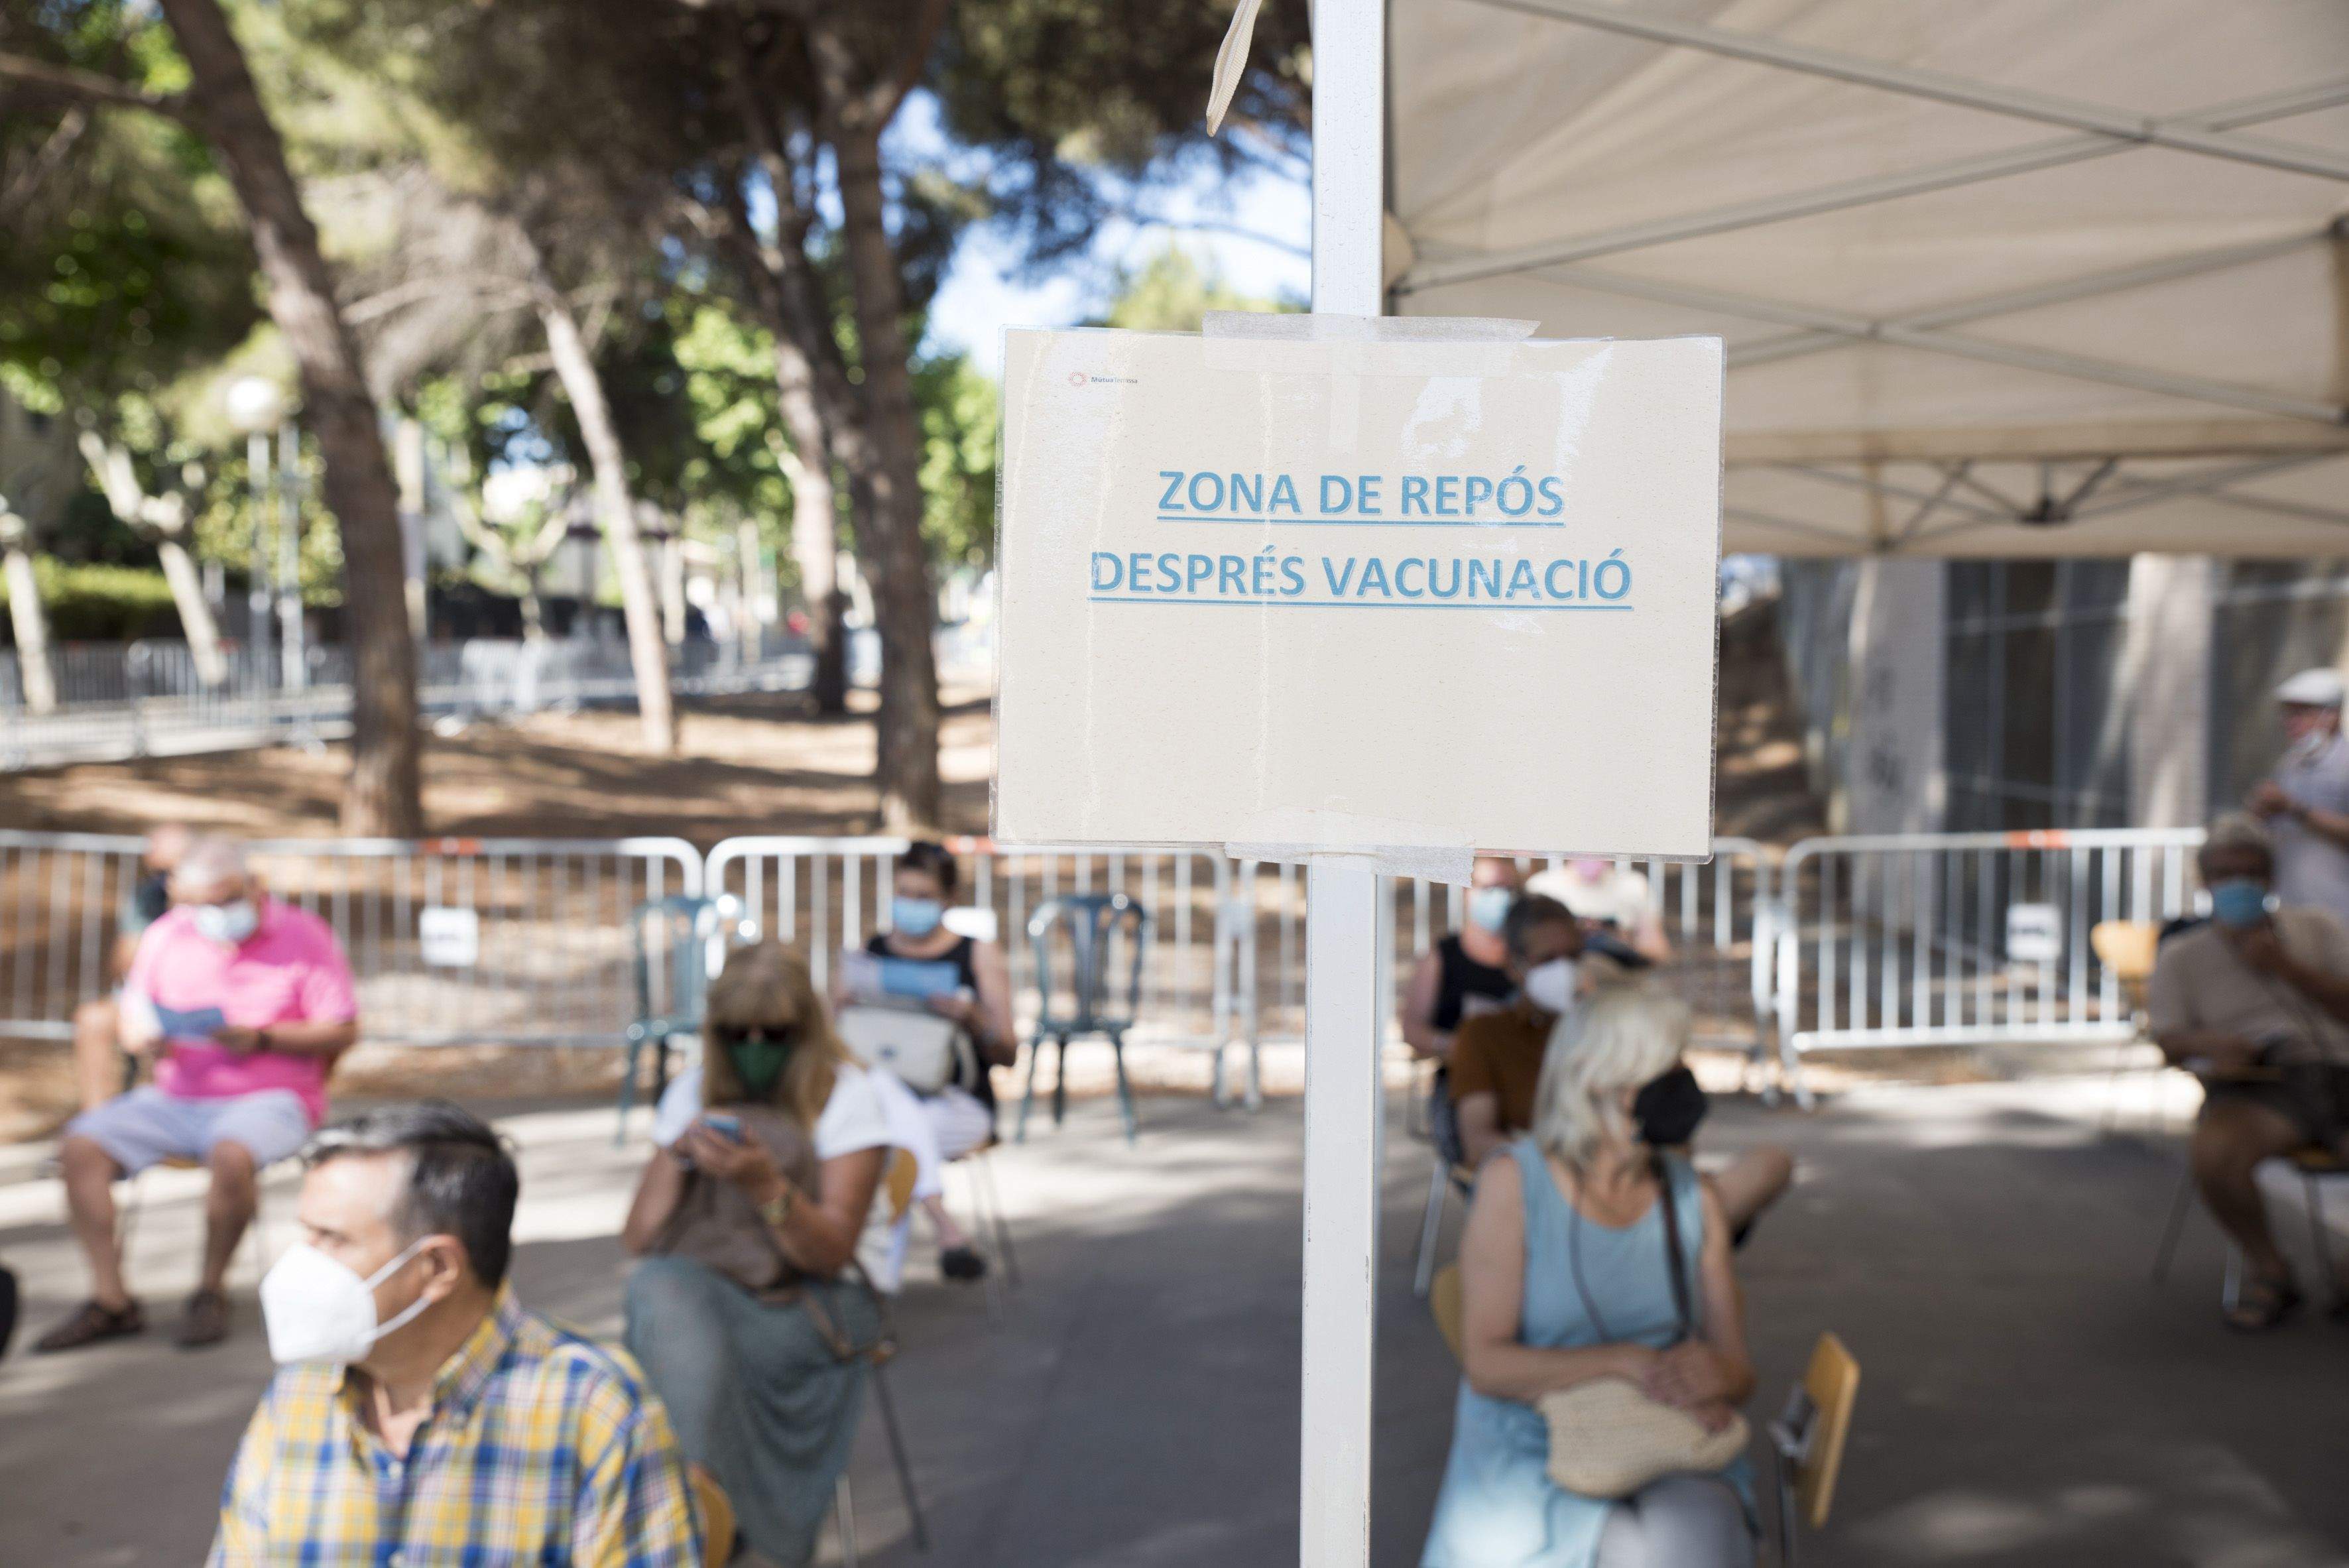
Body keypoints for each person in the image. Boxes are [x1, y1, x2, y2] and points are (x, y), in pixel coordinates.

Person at [209, 1102, 702, 1564]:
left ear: (438, 1268)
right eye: (307, 1233)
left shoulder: (594, 1409)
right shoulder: (298, 1394)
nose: (302, 1263)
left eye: (333, 1239)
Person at [1421, 980, 1758, 1568]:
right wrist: (1621, 1360)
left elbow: (1738, 1370)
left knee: (1697, 1533)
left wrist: (1716, 1373)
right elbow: (1488, 1365)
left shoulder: (1693, 1197)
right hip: (1531, 1438)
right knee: (1632, 1554)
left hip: (1662, 1428)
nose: (1679, 1082)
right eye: (1659, 1068)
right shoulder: (1512, 1184)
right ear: (1596, 1080)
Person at [623, 942, 890, 1567]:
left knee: (673, 1329)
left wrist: (765, 1184)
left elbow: (831, 1254)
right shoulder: (692, 1093)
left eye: (772, 1034)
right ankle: (698, 1508)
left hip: (818, 1302)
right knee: (659, 1290)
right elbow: (638, 1235)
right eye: (736, 1033)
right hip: (705, 1289)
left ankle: (688, 1519)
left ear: (804, 1032)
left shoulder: (849, 1098)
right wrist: (678, 1153)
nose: (754, 1046)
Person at [37, 837, 359, 1352]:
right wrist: (141, 1034)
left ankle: (209, 1290)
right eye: (198, 903)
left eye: (222, 899)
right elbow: (134, 1010)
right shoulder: (167, 934)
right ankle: (111, 1299)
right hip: (177, 1094)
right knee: (81, 1145)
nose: (211, 914)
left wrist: (263, 1037)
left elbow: (342, 1028)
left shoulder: (305, 934)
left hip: (271, 1096)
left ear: (252, 886)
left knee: (231, 1153)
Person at [2149, 812, 2349, 1330]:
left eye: (2250, 872)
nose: (2237, 883)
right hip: (2262, 1087)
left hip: (2337, 1070)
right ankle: (2270, 1269)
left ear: (2270, 877)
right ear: (2204, 881)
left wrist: (2287, 966)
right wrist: (2209, 1045)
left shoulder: (2318, 928)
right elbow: (2167, 1038)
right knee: (2215, 1154)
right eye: (2224, 873)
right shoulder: (2181, 954)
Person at [859, 839, 1016, 1280]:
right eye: (904, 893)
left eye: (923, 896)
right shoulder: (872, 952)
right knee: (887, 1105)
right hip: (884, 1101)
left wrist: (973, 1017)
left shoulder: (977, 952)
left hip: (957, 1101)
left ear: (949, 899)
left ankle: (878, 1290)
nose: (910, 904)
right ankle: (945, 1226)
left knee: (888, 1144)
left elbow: (1008, 1052)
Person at [1453, 896, 1587, 1168]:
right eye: (1547, 959)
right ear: (1514, 966)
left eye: (1573, 957)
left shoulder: (1601, 1028)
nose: (1564, 970)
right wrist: (1556, 1165)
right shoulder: (1483, 1035)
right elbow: (1478, 1142)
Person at [70, 823, 193, 1113]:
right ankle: (98, 1120)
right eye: (164, 873)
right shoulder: (148, 898)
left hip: (198, 1002)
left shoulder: (223, 902)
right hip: (147, 998)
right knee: (94, 1019)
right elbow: (123, 963)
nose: (168, 881)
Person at [2249, 667, 2349, 926]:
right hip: (2294, 908)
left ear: (2331, 716)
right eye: (2287, 714)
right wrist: (2261, 812)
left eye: (2301, 713)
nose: (2290, 722)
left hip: (2340, 911)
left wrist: (2294, 808)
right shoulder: (2290, 764)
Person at [1401, 856, 1525, 1061]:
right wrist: (1455, 1045)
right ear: (1466, 891)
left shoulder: (1529, 955)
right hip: (1457, 1074)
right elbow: (1412, 1029)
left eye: (1507, 889)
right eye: (1489, 888)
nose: (1499, 897)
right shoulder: (1442, 956)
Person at [1529, 858, 1672, 964]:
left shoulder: (1633, 885)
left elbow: (1658, 951)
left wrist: (1621, 943)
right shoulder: (1542, 887)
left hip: (1620, 982)